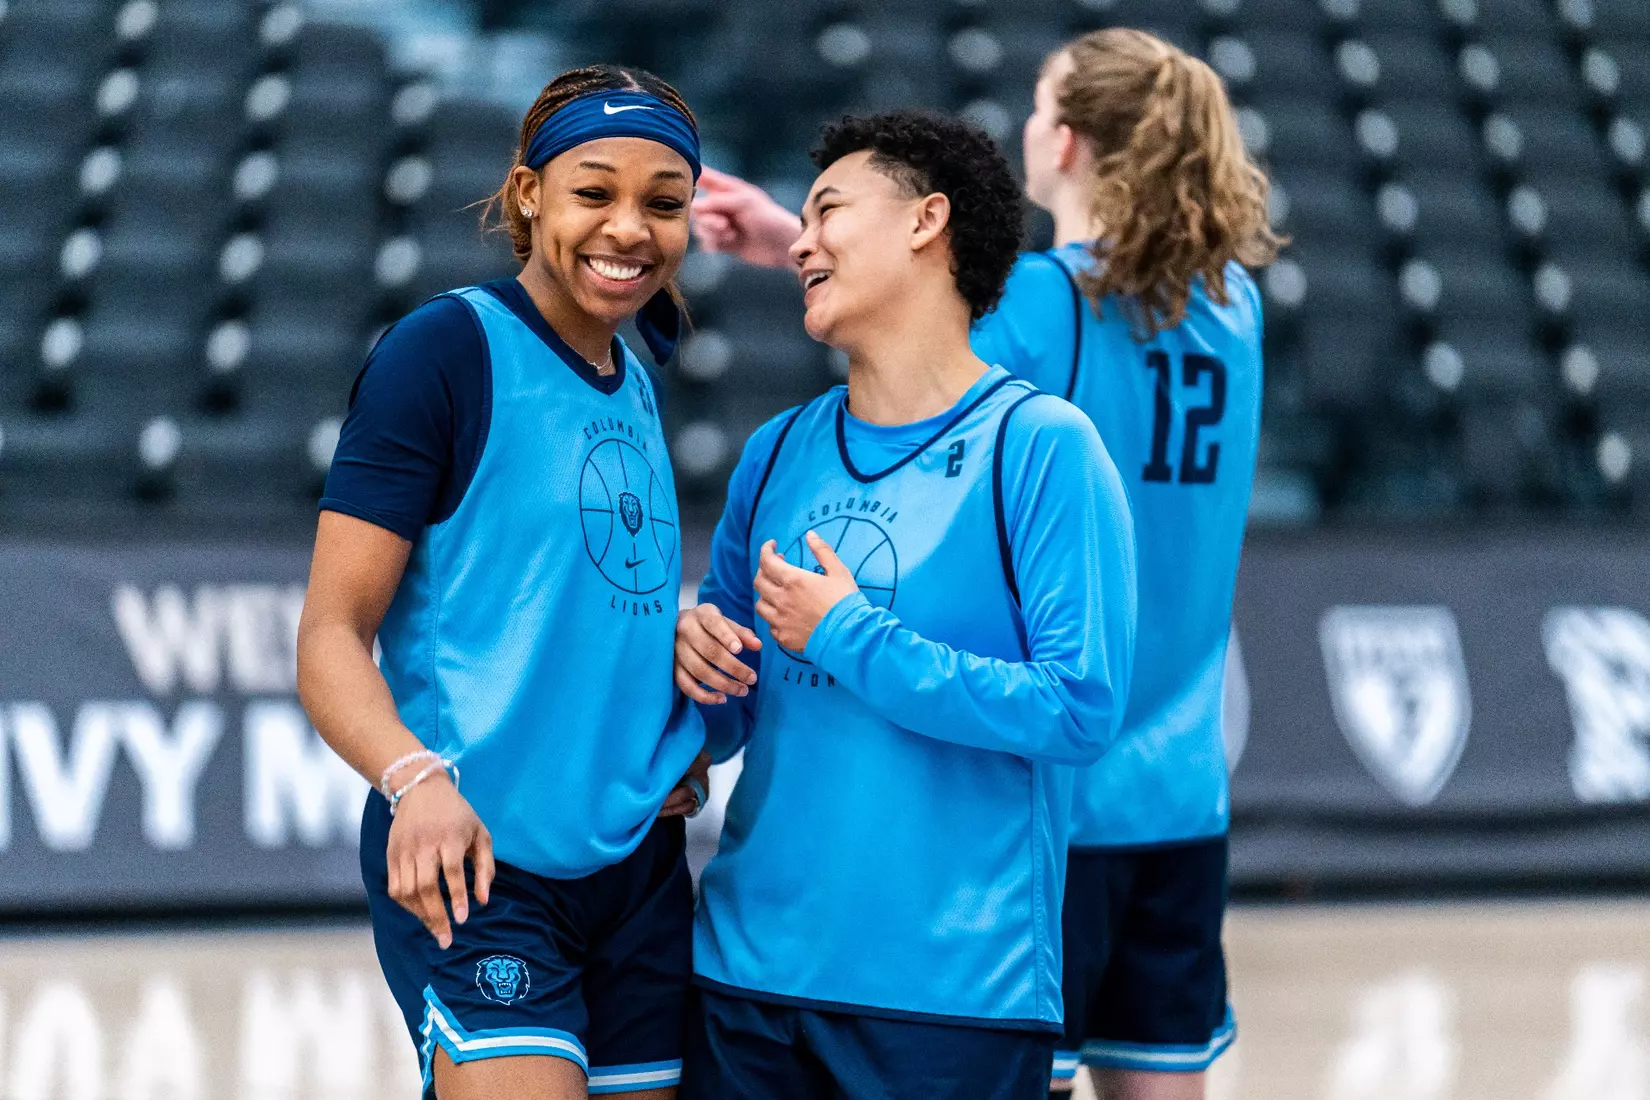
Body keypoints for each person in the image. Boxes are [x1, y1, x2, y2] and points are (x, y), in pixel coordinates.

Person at [690, 28, 1281, 1100]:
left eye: (1040, 104)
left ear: (1067, 142)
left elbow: (925, 337)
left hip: (1046, 812)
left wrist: (792, 243)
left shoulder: (1053, 305)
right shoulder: (1234, 306)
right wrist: (801, 236)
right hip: (1186, 792)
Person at [673, 110, 1137, 1100]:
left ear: (928, 220)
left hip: (951, 1000)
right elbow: (727, 710)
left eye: (827, 211)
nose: (799, 241)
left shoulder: (1045, 445)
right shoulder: (777, 449)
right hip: (745, 981)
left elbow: (1078, 707)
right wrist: (691, 665)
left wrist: (850, 635)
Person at [297, 64, 713, 1100]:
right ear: (530, 195)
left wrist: (657, 716)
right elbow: (329, 633)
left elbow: (579, 601)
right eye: (595, 192)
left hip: (638, 873)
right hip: (479, 864)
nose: (630, 228)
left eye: (663, 203)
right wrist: (414, 778)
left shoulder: (639, 383)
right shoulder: (444, 352)